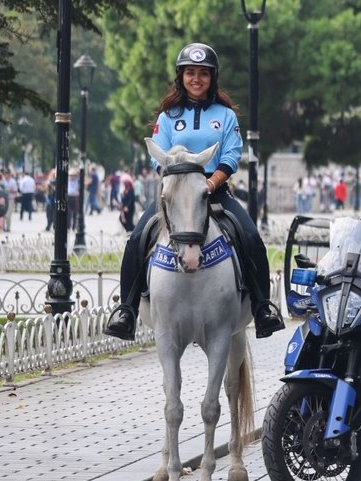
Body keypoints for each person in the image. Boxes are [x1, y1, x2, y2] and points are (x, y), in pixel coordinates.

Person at [104, 44, 284, 341]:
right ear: (181, 76)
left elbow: (231, 154)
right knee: (137, 238)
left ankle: (263, 307)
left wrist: (210, 183)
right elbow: (157, 155)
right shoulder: (168, 116)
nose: (196, 79)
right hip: (175, 194)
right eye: (190, 73)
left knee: (251, 237)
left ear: (212, 77)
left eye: (203, 73)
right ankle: (127, 310)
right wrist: (180, 178)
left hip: (216, 191)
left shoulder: (225, 115)